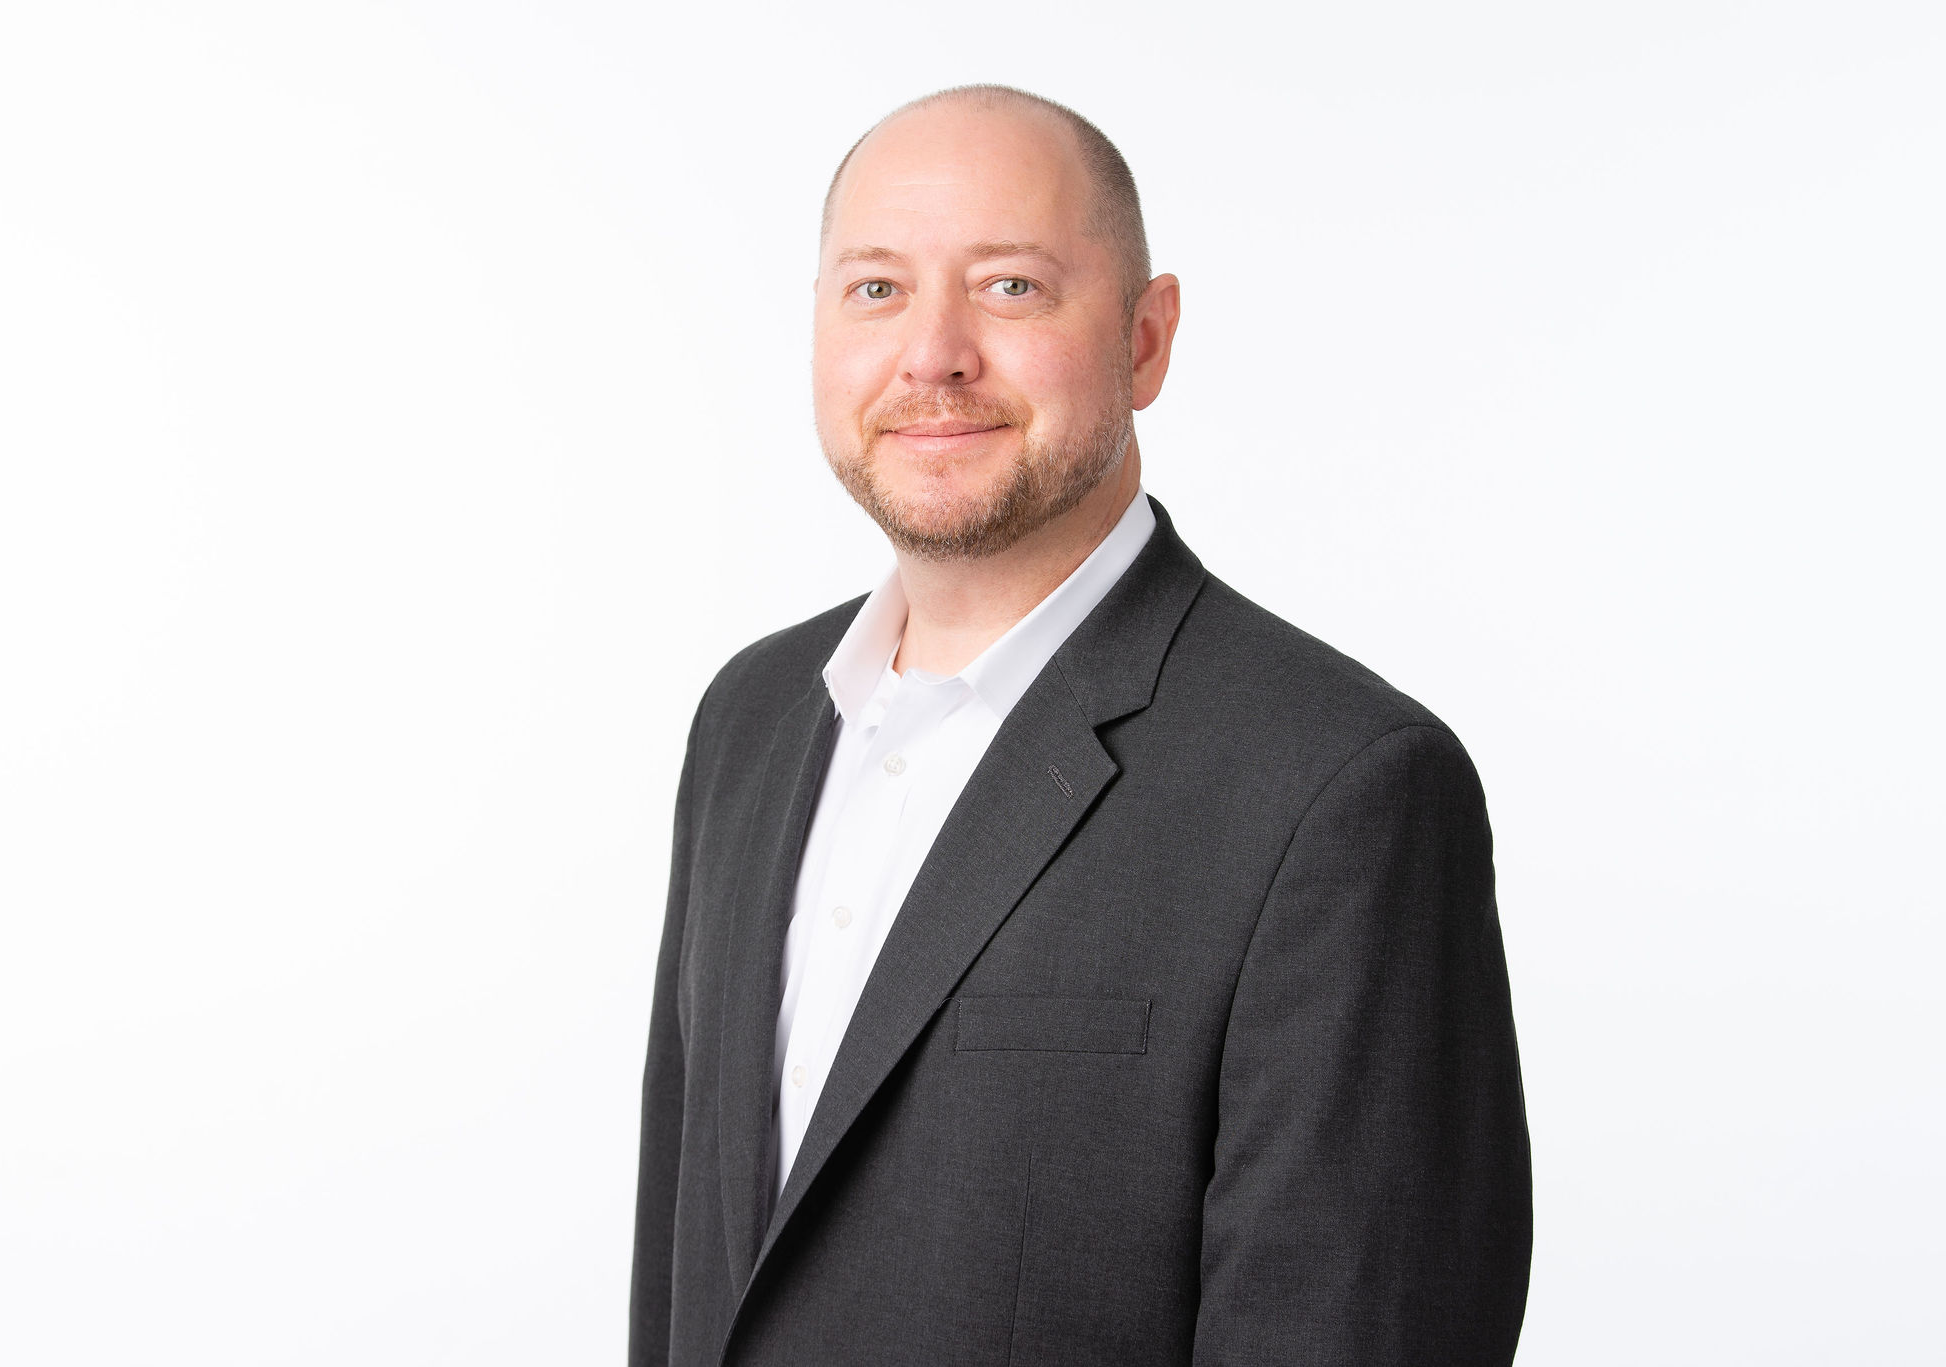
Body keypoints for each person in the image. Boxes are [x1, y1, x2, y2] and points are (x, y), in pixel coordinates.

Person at [628, 83, 1531, 1366]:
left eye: (1008, 287)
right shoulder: (751, 720)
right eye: (875, 289)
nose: (931, 353)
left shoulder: (1339, 789)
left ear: (1145, 338)